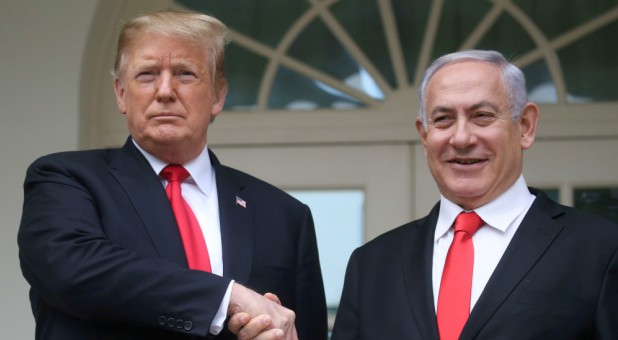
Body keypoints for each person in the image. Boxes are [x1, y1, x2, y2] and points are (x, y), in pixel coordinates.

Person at [18, 10, 327, 340]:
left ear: (218, 96)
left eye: (185, 74)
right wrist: (229, 298)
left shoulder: (284, 215)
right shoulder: (65, 180)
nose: (165, 91)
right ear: (121, 93)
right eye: (147, 74)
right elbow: (73, 270)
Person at [331, 49, 618, 339]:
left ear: (526, 126)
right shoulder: (371, 266)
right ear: (424, 136)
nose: (461, 138)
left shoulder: (602, 250)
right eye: (443, 119)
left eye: (482, 116)